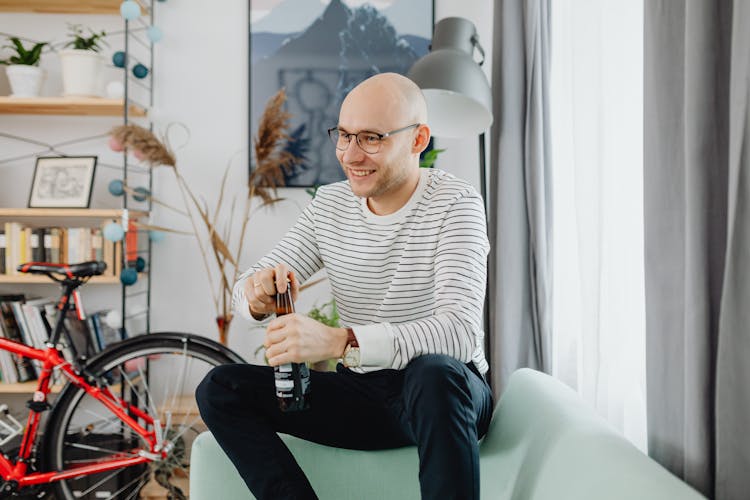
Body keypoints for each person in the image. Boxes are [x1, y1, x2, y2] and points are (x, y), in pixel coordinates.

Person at [196, 72, 493, 500]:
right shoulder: (331, 204)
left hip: (446, 396)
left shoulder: (456, 203)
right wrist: (257, 295)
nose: (352, 154)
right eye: (345, 135)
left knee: (433, 372)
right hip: (364, 393)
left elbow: (459, 334)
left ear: (418, 140)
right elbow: (245, 288)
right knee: (220, 388)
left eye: (371, 138)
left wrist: (341, 342)